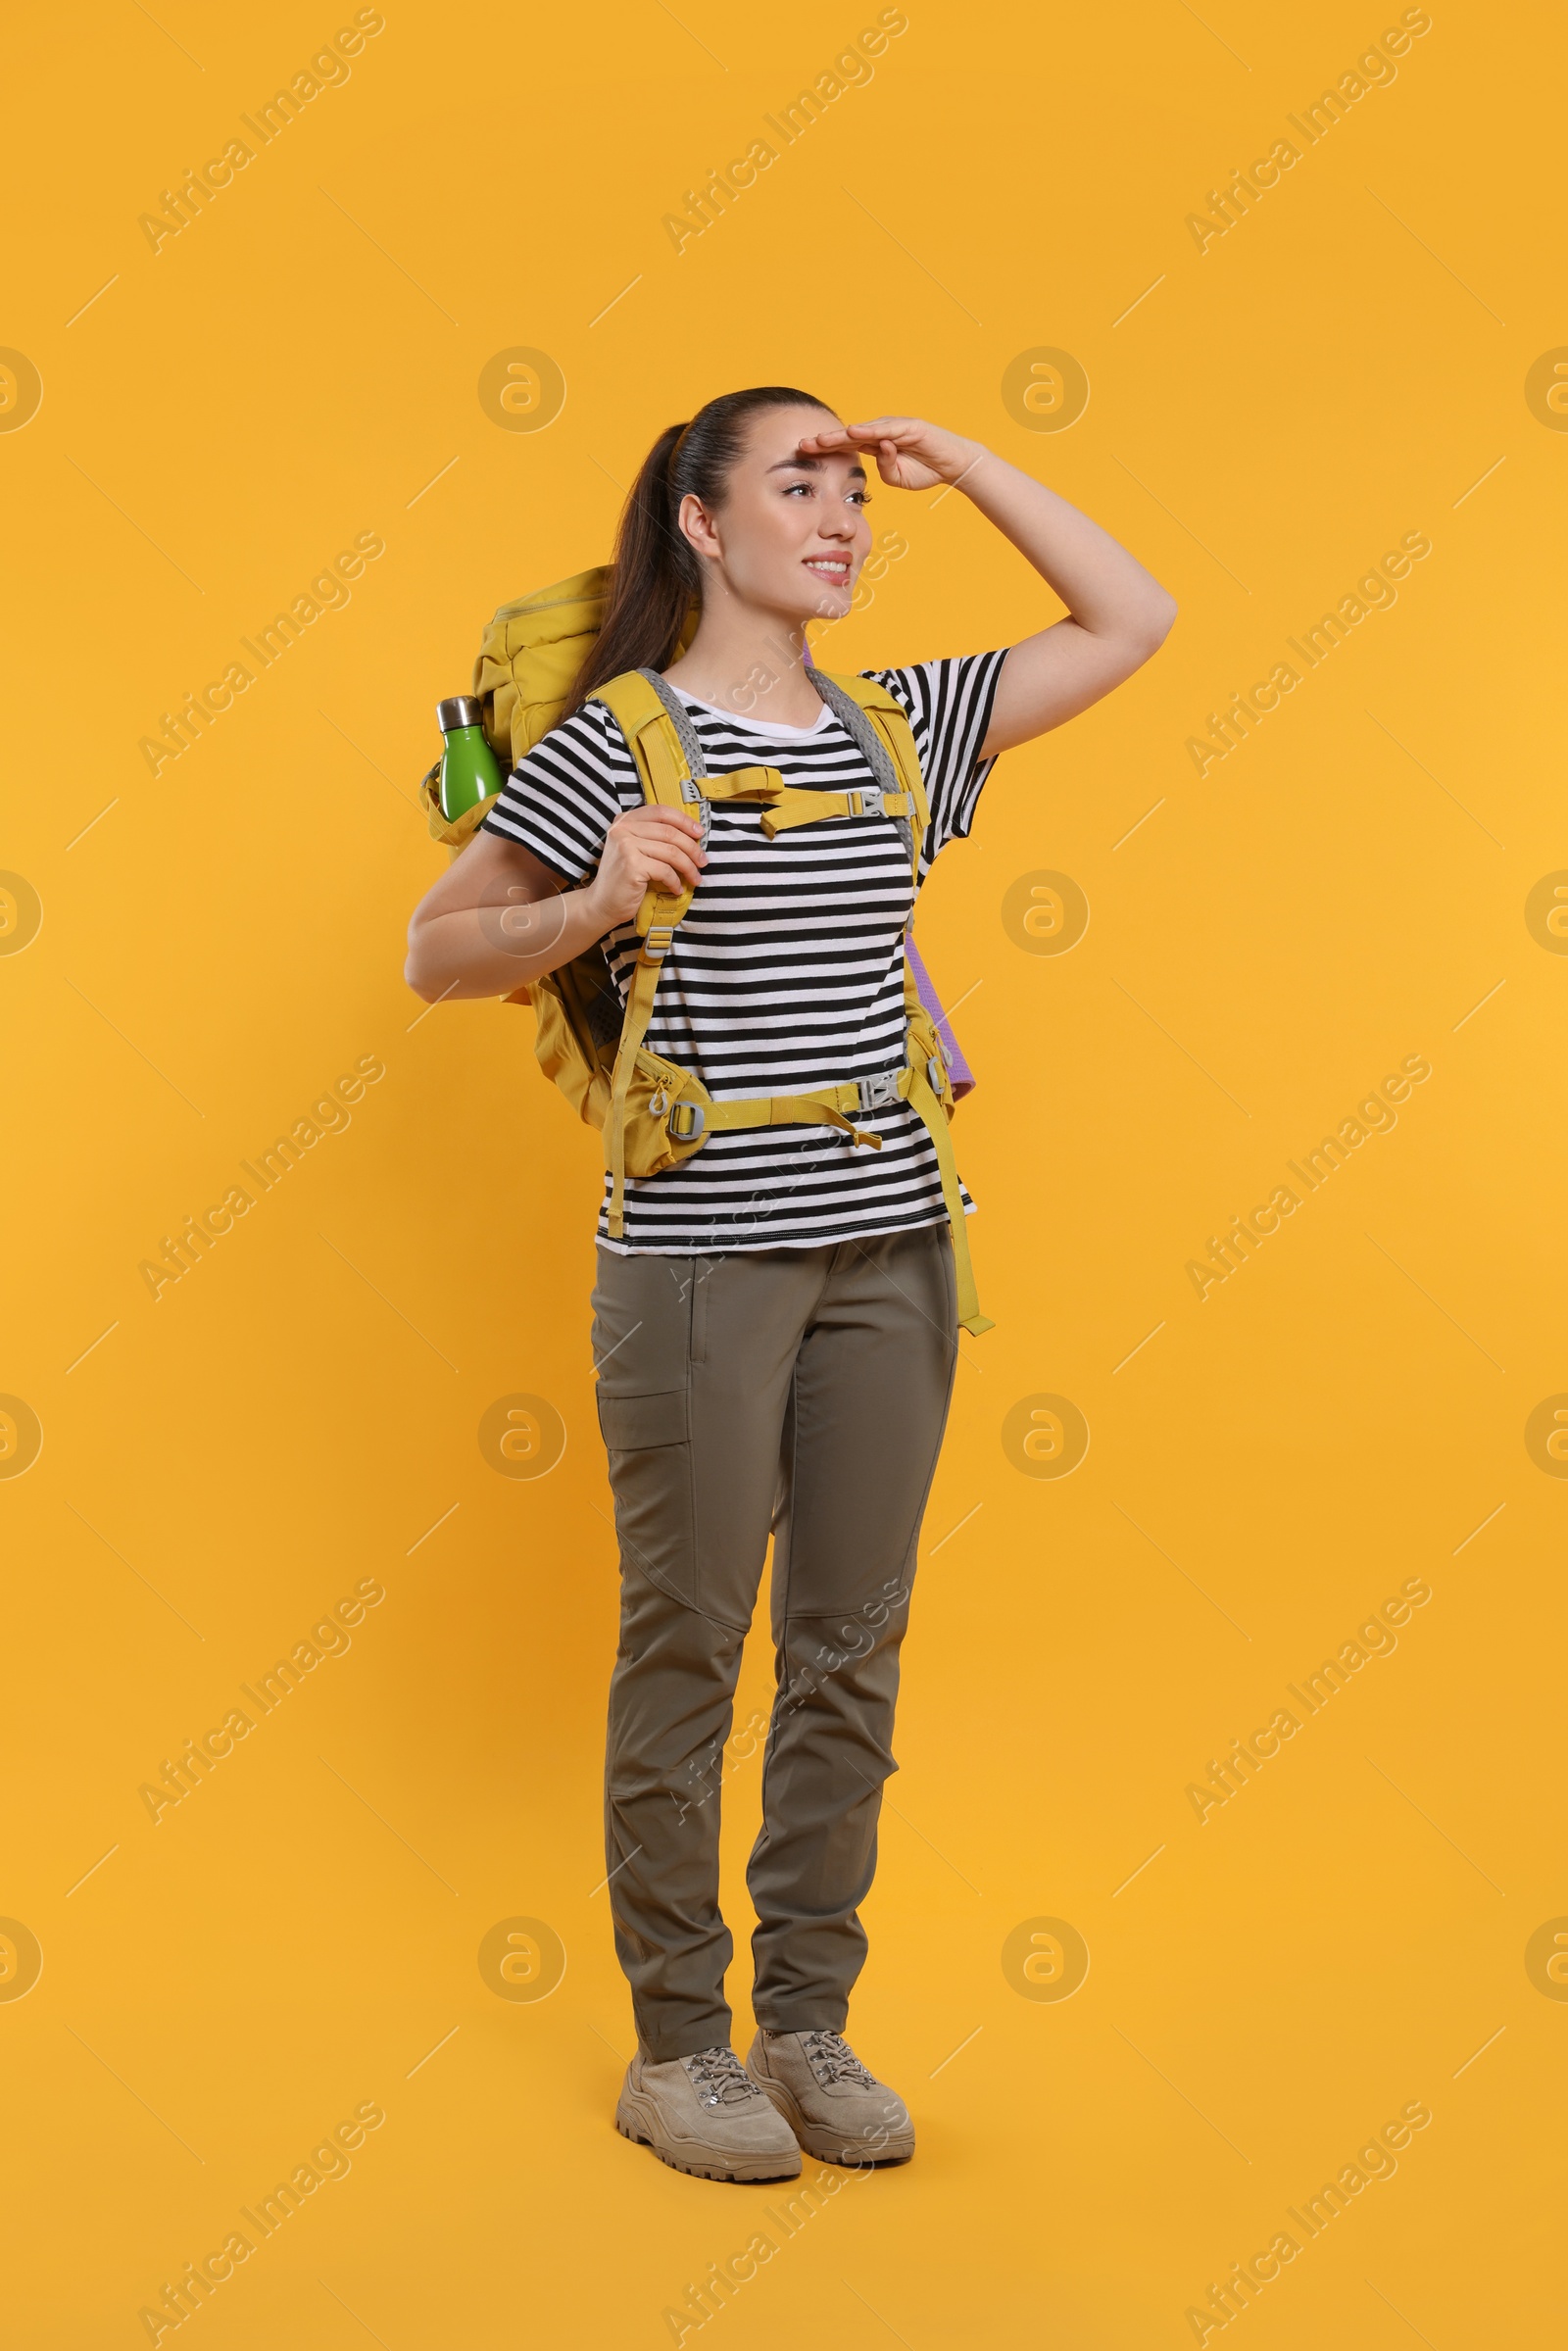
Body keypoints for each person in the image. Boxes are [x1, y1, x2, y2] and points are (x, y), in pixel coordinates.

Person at [405, 386, 1176, 2182]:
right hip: (695, 1259)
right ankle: (681, 2047)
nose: (842, 515)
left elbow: (1130, 621)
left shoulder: (901, 729)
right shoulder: (620, 740)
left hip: (895, 1250)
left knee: (850, 1645)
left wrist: (969, 466)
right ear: (698, 520)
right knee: (690, 1641)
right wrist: (590, 905)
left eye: (854, 488)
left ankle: (807, 2025)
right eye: (796, 484)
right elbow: (436, 951)